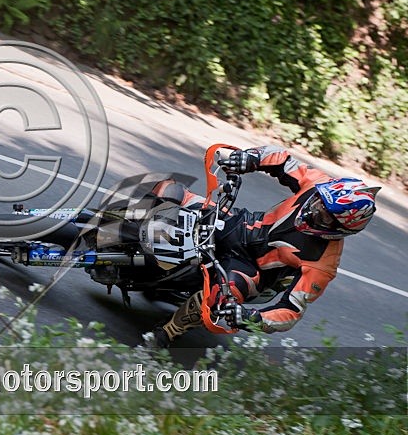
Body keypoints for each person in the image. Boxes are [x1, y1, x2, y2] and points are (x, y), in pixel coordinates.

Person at [154, 144, 380, 347]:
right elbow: (282, 158)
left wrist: (252, 317)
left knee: (220, 295)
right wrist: (249, 158)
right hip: (239, 225)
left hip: (251, 268)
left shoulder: (323, 263)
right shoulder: (318, 183)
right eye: (320, 201)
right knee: (170, 191)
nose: (315, 210)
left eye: (326, 216)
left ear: (339, 229)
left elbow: (291, 311)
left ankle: (168, 332)